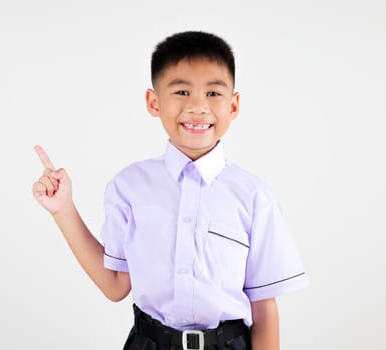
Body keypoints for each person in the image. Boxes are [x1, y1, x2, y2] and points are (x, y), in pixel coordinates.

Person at [32, 31, 308, 350]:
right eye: (181, 91)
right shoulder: (128, 187)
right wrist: (63, 209)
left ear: (233, 105)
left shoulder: (254, 196)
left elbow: (264, 308)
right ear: (153, 102)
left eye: (213, 94)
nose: (198, 107)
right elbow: (115, 286)